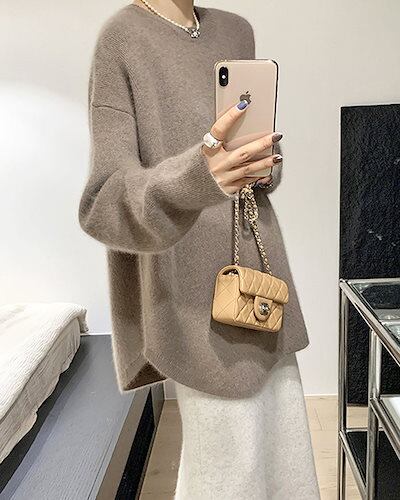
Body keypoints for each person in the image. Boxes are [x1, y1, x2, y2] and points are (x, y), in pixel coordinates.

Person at [79, 1, 320, 498]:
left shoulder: (234, 30)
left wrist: (261, 163)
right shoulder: (121, 39)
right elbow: (105, 201)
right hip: (188, 289)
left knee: (286, 456)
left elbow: (248, 160)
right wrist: (198, 175)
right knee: (226, 471)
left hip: (260, 276)